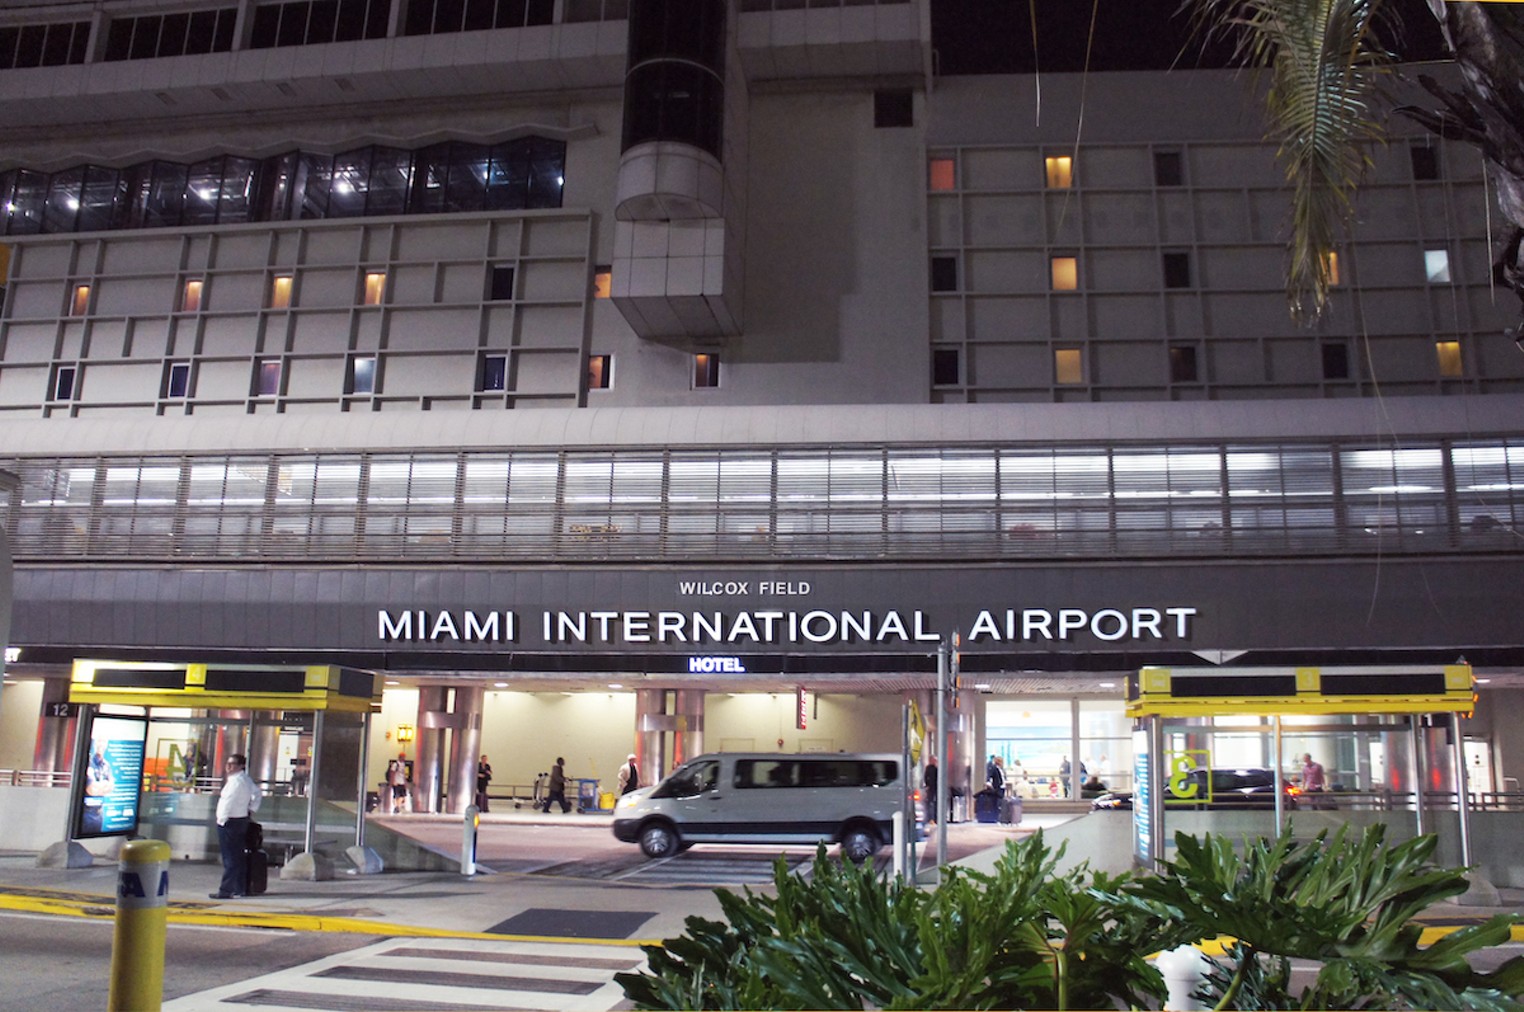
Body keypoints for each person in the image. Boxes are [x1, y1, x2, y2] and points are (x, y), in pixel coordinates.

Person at [211, 753, 261, 900]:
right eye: (228, 763)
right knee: (238, 856)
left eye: (232, 764)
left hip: (230, 822)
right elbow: (257, 794)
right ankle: (240, 889)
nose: (228, 766)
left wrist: (221, 819)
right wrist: (251, 809)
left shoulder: (236, 782)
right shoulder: (244, 780)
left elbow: (228, 802)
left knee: (230, 858)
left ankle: (226, 890)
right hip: (240, 820)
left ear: (241, 766)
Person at [922, 756, 939, 824]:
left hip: (934, 788)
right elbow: (926, 777)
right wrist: (927, 785)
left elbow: (926, 777)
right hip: (933, 788)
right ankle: (931, 818)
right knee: (931, 803)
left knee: (932, 803)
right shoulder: (932, 768)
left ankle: (933, 818)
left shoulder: (934, 768)